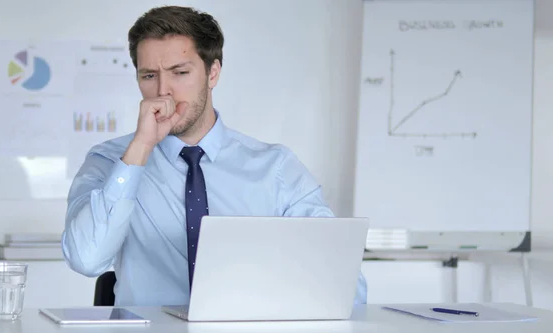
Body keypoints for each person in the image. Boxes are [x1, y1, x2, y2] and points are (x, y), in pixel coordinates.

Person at [62, 5, 367, 306]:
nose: (163, 91)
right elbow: (86, 259)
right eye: (149, 76)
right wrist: (140, 149)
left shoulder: (275, 169)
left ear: (213, 73)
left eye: (180, 73)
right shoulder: (110, 161)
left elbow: (345, 284)